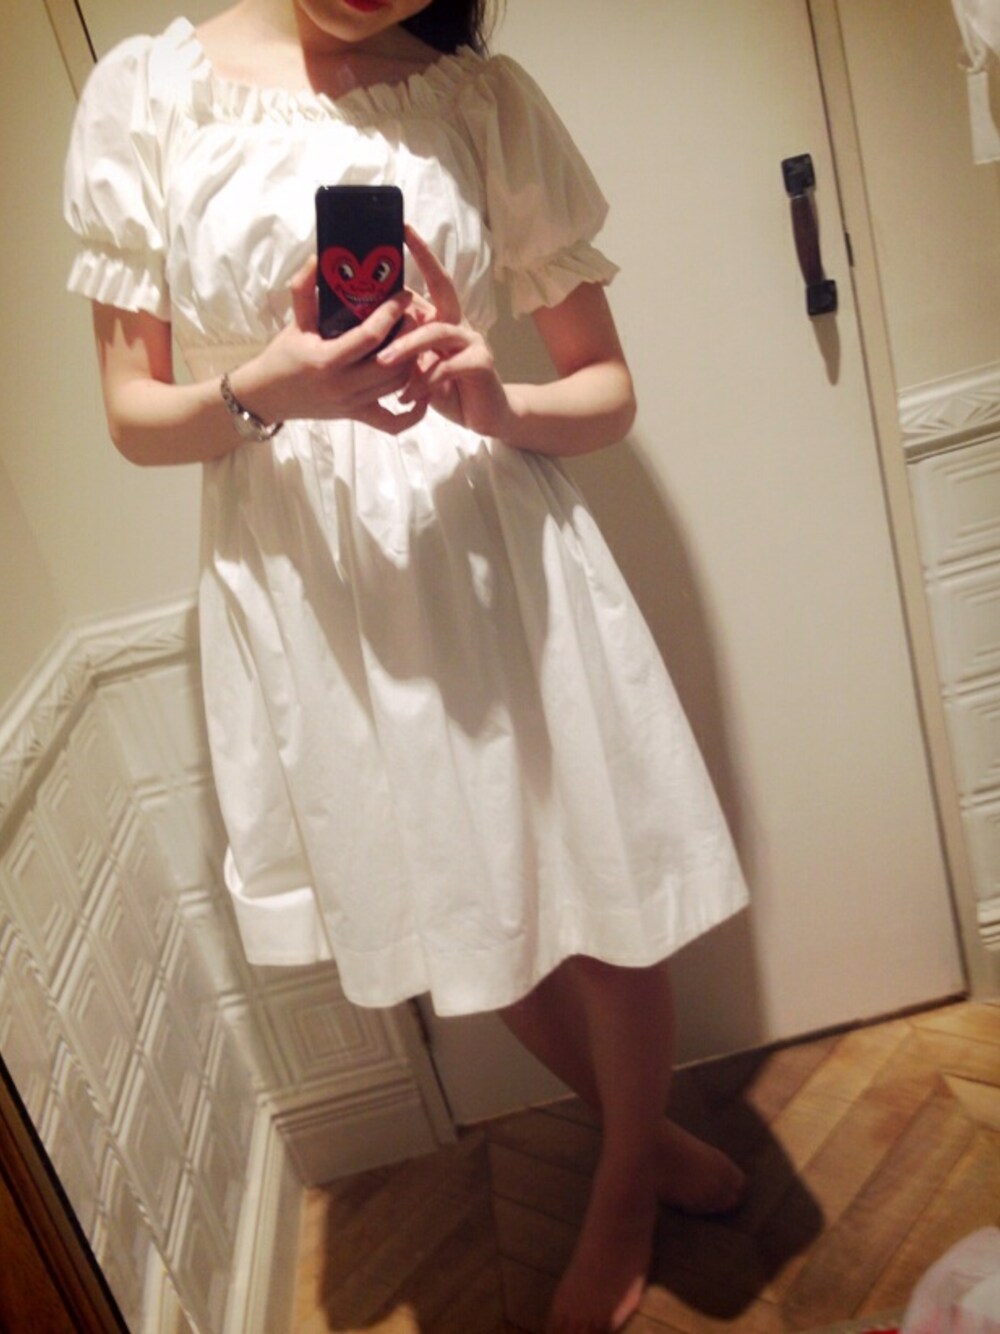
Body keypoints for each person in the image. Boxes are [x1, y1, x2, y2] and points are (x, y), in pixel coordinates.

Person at [64, 1, 750, 1328]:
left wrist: (499, 400)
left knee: (601, 883)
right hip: (309, 587)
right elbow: (134, 419)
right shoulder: (145, 95)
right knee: (466, 896)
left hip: (490, 546)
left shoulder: (476, 99)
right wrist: (266, 391)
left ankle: (622, 1187)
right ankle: (644, 1137)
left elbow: (606, 390)